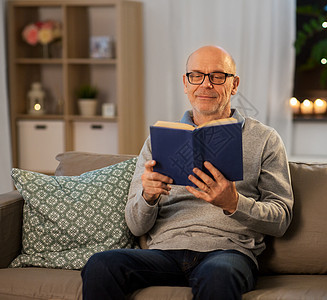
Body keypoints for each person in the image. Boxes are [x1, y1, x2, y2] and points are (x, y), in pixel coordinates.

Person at [81, 45, 294, 299]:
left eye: (217, 76)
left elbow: (281, 219)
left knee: (218, 275)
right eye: (196, 75)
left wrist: (234, 203)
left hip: (228, 253)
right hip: (164, 253)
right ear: (185, 82)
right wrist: (148, 197)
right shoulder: (159, 141)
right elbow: (136, 226)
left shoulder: (264, 139)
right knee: (101, 264)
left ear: (234, 84)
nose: (206, 85)